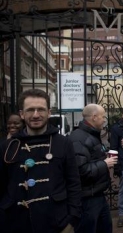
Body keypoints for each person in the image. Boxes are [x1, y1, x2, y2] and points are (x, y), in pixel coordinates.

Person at [0, 89, 82, 233]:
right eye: (30, 110)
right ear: (22, 114)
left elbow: (73, 183)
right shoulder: (7, 146)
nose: (36, 115)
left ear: (49, 112)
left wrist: (72, 220)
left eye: (41, 110)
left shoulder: (63, 143)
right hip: (16, 223)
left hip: (56, 222)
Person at [69, 104, 117, 233]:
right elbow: (81, 171)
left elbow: (91, 159)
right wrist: (105, 163)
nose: (104, 120)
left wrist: (103, 157)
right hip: (86, 199)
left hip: (97, 194)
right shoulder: (79, 138)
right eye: (103, 117)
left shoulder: (91, 134)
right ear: (94, 117)